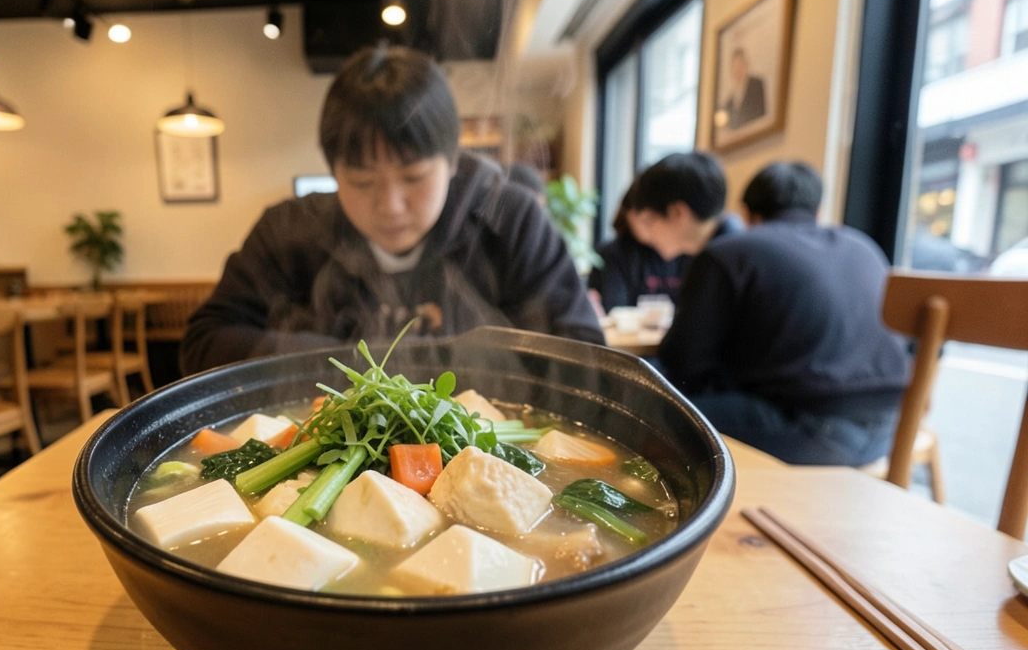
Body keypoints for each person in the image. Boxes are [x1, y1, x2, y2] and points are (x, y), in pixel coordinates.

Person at [181, 45, 604, 374]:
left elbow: (586, 358)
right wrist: (342, 361)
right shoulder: (287, 233)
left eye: (414, 177)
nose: (390, 205)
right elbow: (203, 344)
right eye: (362, 182)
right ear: (333, 172)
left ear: (452, 161)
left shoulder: (509, 221)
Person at [655, 160, 911, 466]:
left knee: (658, 414)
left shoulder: (729, 253)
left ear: (749, 214)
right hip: (891, 429)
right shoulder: (862, 245)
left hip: (813, 434)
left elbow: (683, 361)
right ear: (817, 211)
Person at [588, 182, 697, 311]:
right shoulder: (613, 254)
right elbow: (614, 310)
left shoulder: (693, 251)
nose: (651, 227)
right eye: (646, 219)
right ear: (629, 214)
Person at [724, 48, 767, 130]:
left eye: (740, 65)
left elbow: (762, 116)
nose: (738, 70)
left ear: (746, 65)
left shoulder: (757, 85)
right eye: (734, 66)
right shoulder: (729, 102)